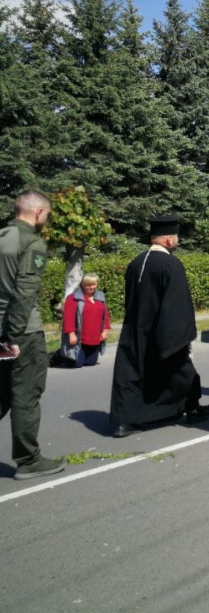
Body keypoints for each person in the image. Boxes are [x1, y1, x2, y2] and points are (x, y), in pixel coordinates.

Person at [110, 215, 209, 438]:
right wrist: (181, 338)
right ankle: (191, 407)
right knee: (182, 371)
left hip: (136, 331)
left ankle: (124, 422)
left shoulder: (135, 263)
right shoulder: (171, 264)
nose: (176, 241)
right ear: (169, 240)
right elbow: (177, 305)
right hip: (162, 331)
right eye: (176, 237)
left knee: (131, 375)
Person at [0, 191, 66, 479]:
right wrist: (11, 338)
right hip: (21, 333)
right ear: (38, 213)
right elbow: (24, 294)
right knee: (25, 396)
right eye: (47, 215)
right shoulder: (32, 242)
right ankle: (29, 459)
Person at [56, 273, 111, 367]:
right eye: (87, 285)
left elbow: (106, 315)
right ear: (82, 285)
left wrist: (105, 330)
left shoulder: (100, 296)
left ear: (97, 284)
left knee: (90, 363)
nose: (90, 287)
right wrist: (71, 334)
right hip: (79, 338)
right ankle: (58, 356)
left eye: (93, 284)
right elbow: (68, 318)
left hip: (94, 338)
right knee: (76, 364)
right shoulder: (73, 298)